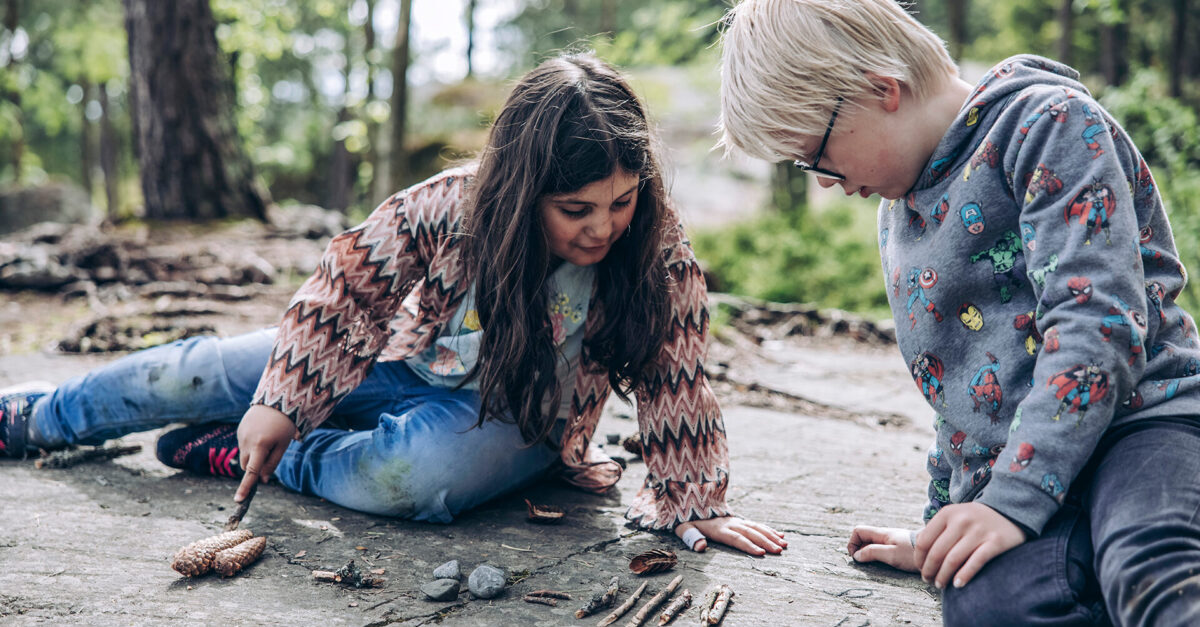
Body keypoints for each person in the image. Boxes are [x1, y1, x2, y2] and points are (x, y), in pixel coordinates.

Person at [0, 54, 785, 557]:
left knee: (417, 476)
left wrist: (693, 499)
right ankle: (42, 417)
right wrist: (282, 398)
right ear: (521, 190)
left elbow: (675, 371)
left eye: (621, 200)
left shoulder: (653, 250)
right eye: (575, 209)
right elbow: (348, 289)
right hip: (394, 362)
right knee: (196, 371)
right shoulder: (451, 205)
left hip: (516, 417)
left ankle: (270, 457)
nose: (602, 227)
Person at [718, 0, 1200, 624]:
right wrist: (942, 529)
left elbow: (1095, 324)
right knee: (986, 602)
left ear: (881, 89)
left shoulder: (1048, 125)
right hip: (1016, 472)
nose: (824, 181)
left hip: (1140, 425)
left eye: (817, 155)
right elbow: (959, 391)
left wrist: (1012, 501)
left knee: (1149, 563)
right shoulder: (899, 216)